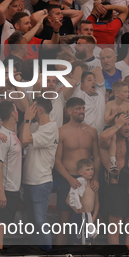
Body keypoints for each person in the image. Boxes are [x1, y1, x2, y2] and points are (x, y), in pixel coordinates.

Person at [54, 97, 100, 245]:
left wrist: (95, 178)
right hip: (68, 178)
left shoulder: (91, 131)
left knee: (89, 218)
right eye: (77, 108)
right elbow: (57, 160)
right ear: (69, 111)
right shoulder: (61, 131)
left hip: (88, 180)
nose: (81, 111)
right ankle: (61, 255)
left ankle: (88, 253)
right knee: (65, 221)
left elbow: (97, 157)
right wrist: (69, 179)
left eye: (83, 108)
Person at [20, 99, 58, 249]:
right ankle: (36, 253)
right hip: (29, 182)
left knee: (40, 221)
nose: (30, 110)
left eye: (33, 108)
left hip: (41, 182)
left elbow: (25, 139)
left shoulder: (51, 127)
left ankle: (47, 254)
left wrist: (27, 119)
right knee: (33, 222)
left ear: (39, 111)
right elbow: (21, 142)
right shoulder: (36, 126)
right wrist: (27, 121)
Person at [99, 113, 129, 247]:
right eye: (124, 125)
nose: (127, 128)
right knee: (115, 226)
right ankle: (115, 256)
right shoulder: (110, 142)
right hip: (115, 186)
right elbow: (103, 136)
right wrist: (117, 124)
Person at [0, 101, 22, 249]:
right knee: (0, 223)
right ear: (13, 114)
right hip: (5, 189)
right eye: (16, 110)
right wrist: (1, 192)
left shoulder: (10, 134)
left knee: (3, 223)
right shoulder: (2, 138)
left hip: (12, 188)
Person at [67, 158, 99, 245]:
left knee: (89, 241)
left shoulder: (94, 185)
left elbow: (97, 204)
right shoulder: (77, 183)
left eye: (92, 169)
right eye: (87, 170)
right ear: (80, 172)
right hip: (79, 216)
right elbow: (68, 200)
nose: (91, 172)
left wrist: (93, 218)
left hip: (90, 216)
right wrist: (74, 208)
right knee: (77, 241)